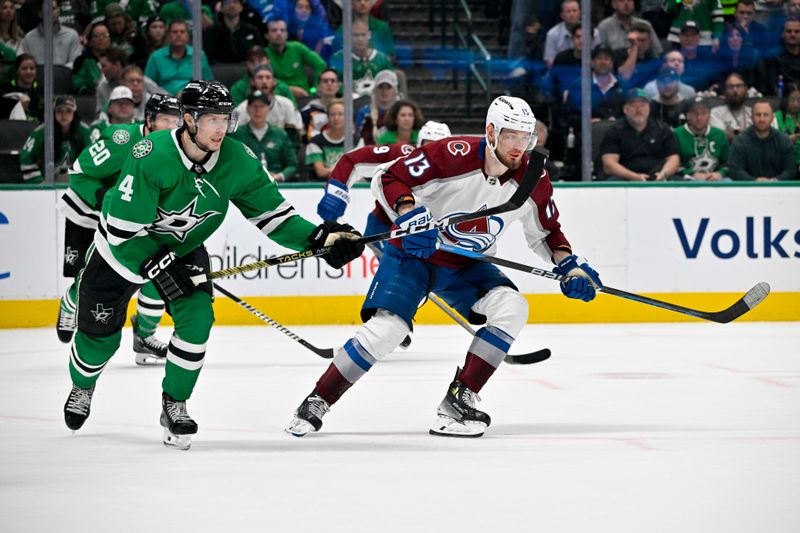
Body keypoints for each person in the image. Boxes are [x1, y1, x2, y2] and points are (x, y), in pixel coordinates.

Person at [61, 80, 365, 450]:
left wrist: (319, 238)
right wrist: (156, 262)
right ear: (189, 119)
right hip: (122, 252)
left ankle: (175, 402)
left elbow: (276, 217)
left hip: (183, 249)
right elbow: (122, 230)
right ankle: (83, 385)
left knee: (198, 320)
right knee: (99, 340)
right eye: (211, 119)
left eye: (225, 118)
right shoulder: (151, 154)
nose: (221, 128)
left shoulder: (238, 160)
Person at [286, 96, 602, 438]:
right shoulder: (452, 153)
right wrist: (410, 214)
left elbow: (548, 232)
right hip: (413, 255)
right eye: (511, 136)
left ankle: (458, 400)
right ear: (491, 132)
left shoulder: (533, 178)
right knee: (388, 330)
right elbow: (389, 178)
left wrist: (571, 266)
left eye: (525, 138)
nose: (518, 146)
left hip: (467, 265)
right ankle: (318, 398)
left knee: (512, 307)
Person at [55, 95, 183, 365]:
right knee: (91, 277)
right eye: (165, 121)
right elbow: (78, 173)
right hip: (89, 212)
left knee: (153, 272)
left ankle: (144, 337)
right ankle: (70, 302)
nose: (172, 127)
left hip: (127, 217)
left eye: (176, 121)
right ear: (149, 120)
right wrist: (102, 196)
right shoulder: (122, 138)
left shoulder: (175, 148)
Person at [600, 89, 681, 181]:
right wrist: (634, 177)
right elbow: (609, 165)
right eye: (633, 106)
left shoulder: (663, 129)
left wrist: (664, 174)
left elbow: (673, 158)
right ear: (625, 109)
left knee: (678, 181)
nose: (638, 109)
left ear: (649, 108)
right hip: (626, 178)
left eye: (642, 105)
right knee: (613, 181)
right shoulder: (614, 131)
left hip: (658, 177)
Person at [20, 95, 92, 182]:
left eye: (68, 111)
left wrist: (86, 181)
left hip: (79, 184)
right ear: (54, 113)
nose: (64, 115)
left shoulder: (85, 132)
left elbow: (94, 158)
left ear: (74, 113)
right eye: (59, 111)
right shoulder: (41, 132)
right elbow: (26, 158)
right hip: (48, 185)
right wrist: (39, 182)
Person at [229, 90, 297, 182]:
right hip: (244, 185)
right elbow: (228, 162)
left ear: (268, 108)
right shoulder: (236, 134)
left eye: (262, 106)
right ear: (247, 109)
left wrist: (280, 176)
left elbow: (292, 164)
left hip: (276, 185)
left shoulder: (280, 134)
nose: (258, 111)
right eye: (254, 106)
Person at [729, 100, 797, 181]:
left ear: (772, 118)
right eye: (758, 115)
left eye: (766, 115)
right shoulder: (740, 141)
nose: (762, 119)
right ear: (752, 118)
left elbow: (791, 170)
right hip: (747, 189)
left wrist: (774, 181)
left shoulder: (784, 141)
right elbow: (735, 171)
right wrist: (754, 181)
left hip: (778, 189)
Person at [144, 19, 212, 95]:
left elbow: (209, 83)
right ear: (169, 35)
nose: (178, 35)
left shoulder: (199, 55)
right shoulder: (156, 57)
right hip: (164, 101)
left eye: (182, 32)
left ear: (187, 35)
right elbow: (148, 86)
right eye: (174, 32)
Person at [264, 16, 326, 99]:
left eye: (282, 30)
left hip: (304, 96)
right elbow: (263, 80)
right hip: (278, 97)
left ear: (287, 34)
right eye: (274, 30)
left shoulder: (297, 47)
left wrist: (315, 89)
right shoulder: (264, 54)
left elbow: (320, 65)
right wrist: (288, 89)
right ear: (267, 35)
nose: (279, 33)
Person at [329, 19, 392, 97]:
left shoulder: (382, 59)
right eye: (356, 35)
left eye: (363, 35)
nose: (360, 39)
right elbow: (333, 83)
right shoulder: (338, 58)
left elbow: (390, 83)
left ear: (369, 35)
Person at [673, 96, 730, 180]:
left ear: (709, 115)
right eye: (694, 113)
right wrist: (692, 173)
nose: (699, 117)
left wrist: (720, 173)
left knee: (728, 182)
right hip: (686, 180)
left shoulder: (720, 134)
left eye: (704, 113)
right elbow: (673, 164)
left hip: (715, 180)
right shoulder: (676, 134)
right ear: (687, 115)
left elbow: (728, 164)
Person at [20, 0, 81, 68]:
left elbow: (75, 63)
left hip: (65, 76)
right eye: (46, 8)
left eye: (53, 9)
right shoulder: (29, 38)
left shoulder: (71, 35)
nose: (50, 12)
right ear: (40, 13)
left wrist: (58, 73)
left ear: (59, 11)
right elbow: (25, 65)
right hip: (37, 77)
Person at [203, 0, 263, 64]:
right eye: (227, 2)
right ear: (221, 8)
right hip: (218, 70)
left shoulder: (252, 31)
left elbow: (259, 53)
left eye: (235, 2)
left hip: (246, 69)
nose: (232, 5)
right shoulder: (211, 32)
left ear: (241, 8)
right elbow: (209, 57)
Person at [597, 0, 662, 57]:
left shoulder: (645, 25)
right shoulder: (604, 26)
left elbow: (657, 52)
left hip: (643, 67)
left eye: (629, 0)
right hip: (616, 68)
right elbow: (598, 54)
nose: (626, 4)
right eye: (621, 1)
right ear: (614, 4)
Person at [306, 98, 348, 180]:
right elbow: (321, 172)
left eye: (340, 114)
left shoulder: (356, 140)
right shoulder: (315, 142)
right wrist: (344, 172)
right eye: (332, 114)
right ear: (327, 117)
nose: (336, 118)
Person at [355, 69, 399, 146]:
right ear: (375, 90)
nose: (384, 92)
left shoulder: (401, 113)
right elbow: (358, 137)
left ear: (394, 91)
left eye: (388, 87)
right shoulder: (365, 113)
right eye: (381, 87)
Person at [709, 72, 752, 142]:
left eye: (739, 86)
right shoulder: (715, 113)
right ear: (725, 91)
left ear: (745, 89)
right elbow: (721, 137)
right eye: (731, 87)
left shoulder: (753, 112)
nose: (735, 90)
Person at [301, 67, 341, 141]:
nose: (329, 84)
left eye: (332, 81)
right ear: (318, 86)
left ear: (338, 86)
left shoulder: (347, 109)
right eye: (325, 81)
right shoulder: (307, 111)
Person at [71, 22, 112, 94]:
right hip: (91, 98)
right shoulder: (82, 60)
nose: (101, 39)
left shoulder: (116, 58)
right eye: (96, 36)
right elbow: (78, 82)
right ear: (90, 40)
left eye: (105, 36)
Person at [0, 52, 41, 121]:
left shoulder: (42, 91)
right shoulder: (5, 90)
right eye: (24, 68)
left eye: (32, 68)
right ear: (17, 71)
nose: (28, 72)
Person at [773, 82, 800, 168]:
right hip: (783, 163)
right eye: (792, 100)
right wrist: (787, 141)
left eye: (799, 100)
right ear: (785, 99)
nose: (796, 104)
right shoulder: (775, 117)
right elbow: (771, 144)